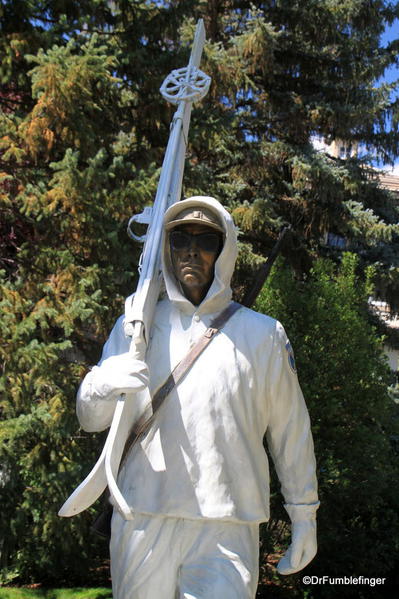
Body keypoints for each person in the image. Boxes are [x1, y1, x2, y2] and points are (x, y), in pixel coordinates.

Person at [76, 196, 319, 599]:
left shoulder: (263, 335)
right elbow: (91, 418)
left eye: (206, 240)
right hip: (143, 512)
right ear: (166, 249)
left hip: (228, 521)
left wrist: (304, 513)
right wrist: (102, 383)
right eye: (180, 239)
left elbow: (291, 430)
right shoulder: (136, 325)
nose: (191, 249)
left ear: (224, 251)